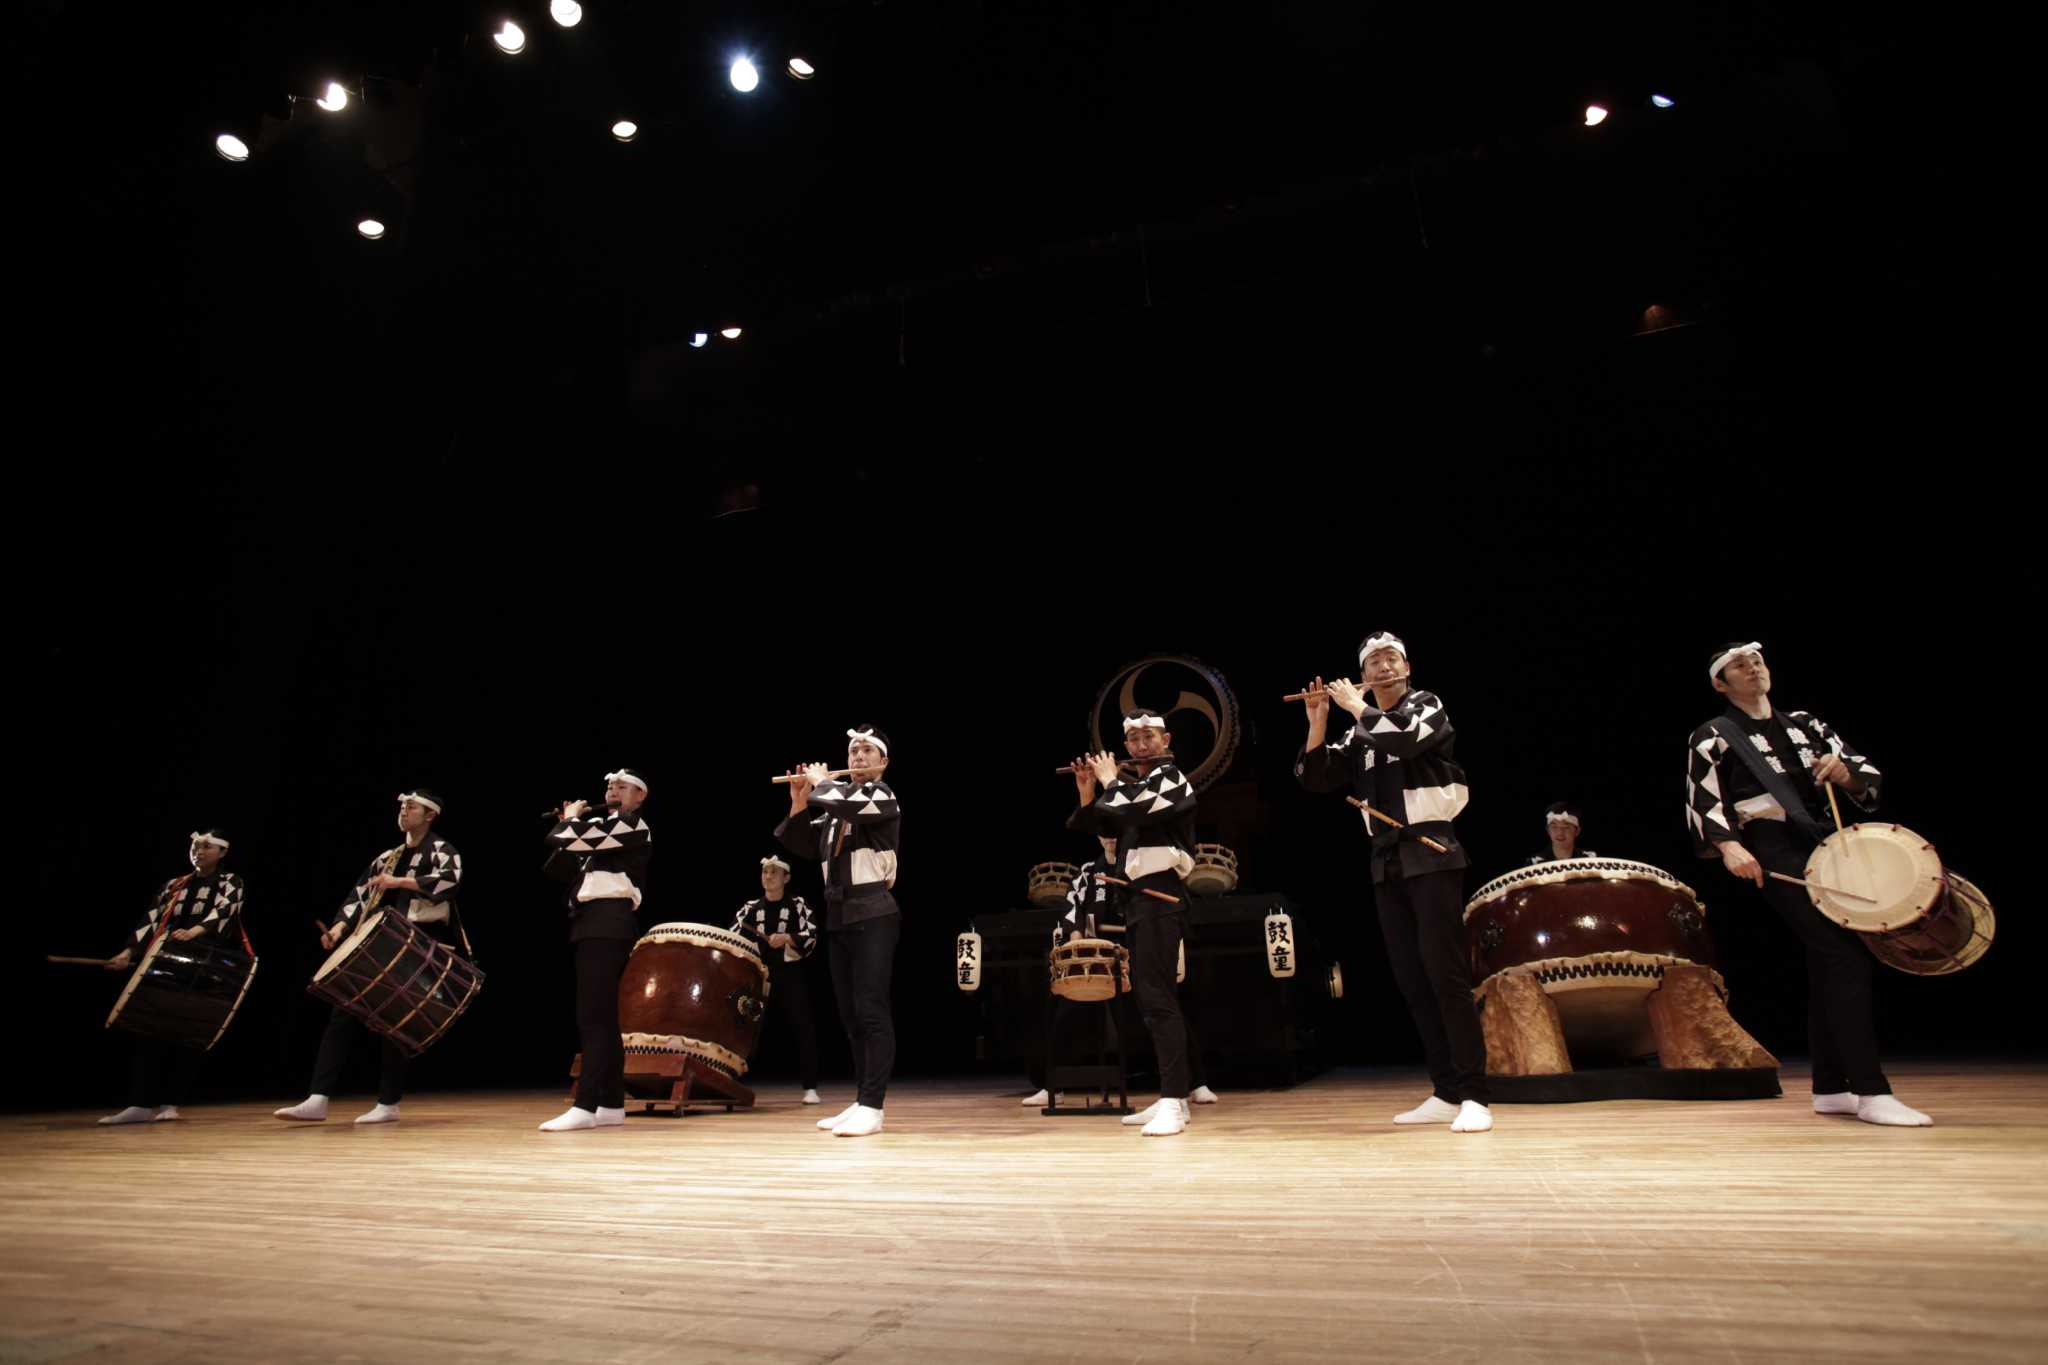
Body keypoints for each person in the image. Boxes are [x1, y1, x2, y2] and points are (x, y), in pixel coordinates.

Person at [1685, 641, 1929, 1127]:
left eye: (1757, 661)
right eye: (1739, 665)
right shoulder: (1714, 735)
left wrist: (1847, 776)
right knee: (1845, 954)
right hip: (1771, 845)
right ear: (1720, 683)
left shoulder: (1805, 724)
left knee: (1827, 960)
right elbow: (1702, 803)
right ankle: (1871, 1091)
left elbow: (1865, 774)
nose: (1752, 668)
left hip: (1825, 841)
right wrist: (1731, 847)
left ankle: (1831, 1087)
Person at [1296, 632, 1492, 1133]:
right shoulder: (1358, 730)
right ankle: (1446, 1089)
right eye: (1373, 661)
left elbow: (1405, 737)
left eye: (1391, 660)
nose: (1383, 667)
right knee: (1411, 976)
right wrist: (1320, 719)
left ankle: (1474, 1093)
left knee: (1444, 972)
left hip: (1431, 850)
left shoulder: (1426, 705)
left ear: (1407, 667)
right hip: (1386, 859)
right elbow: (1317, 777)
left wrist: (1355, 705)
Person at [275, 791, 463, 1125]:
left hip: (417, 942)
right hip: (379, 942)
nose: (404, 811)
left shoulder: (441, 849)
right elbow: (359, 897)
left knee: (395, 1023)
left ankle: (388, 1103)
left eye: (411, 807)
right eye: (402, 806)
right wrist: (337, 930)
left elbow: (450, 882)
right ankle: (318, 1098)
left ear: (430, 815)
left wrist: (400, 882)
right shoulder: (387, 857)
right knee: (342, 1012)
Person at [779, 726, 900, 1138]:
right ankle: (861, 1098)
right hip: (839, 914)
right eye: (853, 750)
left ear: (882, 761)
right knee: (850, 1016)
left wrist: (823, 783)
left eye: (868, 750)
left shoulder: (882, 796)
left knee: (871, 1009)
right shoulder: (836, 807)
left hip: (873, 911)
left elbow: (847, 803)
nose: (859, 756)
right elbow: (803, 845)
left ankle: (873, 1105)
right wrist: (799, 803)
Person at [98, 828, 248, 1125]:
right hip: (168, 960)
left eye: (206, 847)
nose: (198, 851)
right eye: (195, 846)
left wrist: (195, 931)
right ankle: (139, 1103)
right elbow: (151, 919)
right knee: (149, 1028)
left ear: (222, 852)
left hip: (206, 962)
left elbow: (227, 911)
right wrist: (129, 952)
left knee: (188, 1033)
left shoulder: (231, 882)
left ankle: (170, 1102)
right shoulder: (175, 885)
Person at [538, 769, 653, 1132]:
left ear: (639, 797)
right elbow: (556, 865)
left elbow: (565, 839)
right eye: (609, 786)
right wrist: (568, 828)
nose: (613, 791)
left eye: (622, 787)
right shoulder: (599, 832)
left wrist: (571, 824)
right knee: (602, 1017)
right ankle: (611, 1103)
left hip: (609, 920)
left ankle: (585, 1105)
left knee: (592, 1015)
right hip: (590, 921)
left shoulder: (633, 825)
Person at [733, 855, 822, 1105]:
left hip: (790, 972)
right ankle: (731, 1083)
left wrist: (787, 938)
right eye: (764, 872)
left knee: (802, 1026)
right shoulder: (749, 908)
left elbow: (812, 934)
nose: (768, 876)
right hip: (757, 975)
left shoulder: (798, 905)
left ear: (787, 878)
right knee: (745, 1028)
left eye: (774, 872)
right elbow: (733, 936)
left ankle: (810, 1087)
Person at [1528, 801, 1597, 865]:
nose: (1560, 832)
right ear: (1548, 830)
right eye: (1554, 827)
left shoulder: (1590, 859)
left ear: (1577, 831)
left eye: (1566, 827)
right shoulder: (1535, 862)